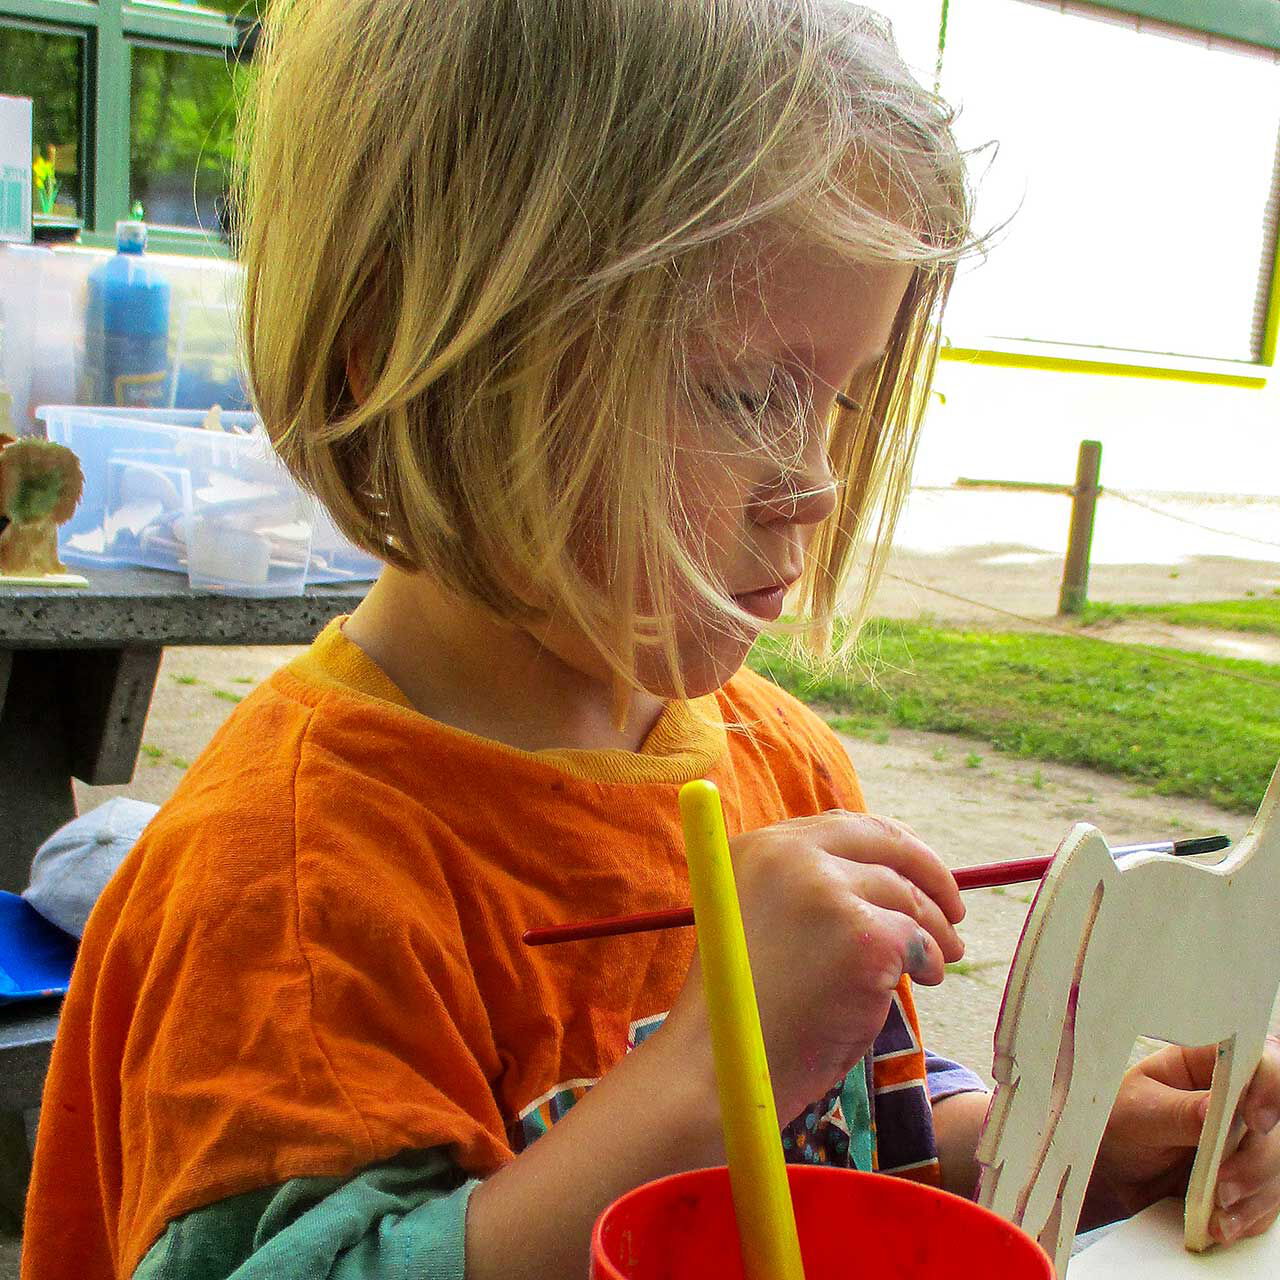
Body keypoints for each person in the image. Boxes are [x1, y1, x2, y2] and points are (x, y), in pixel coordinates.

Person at [22, 2, 1280, 1277]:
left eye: (841, 396)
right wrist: (700, 1069)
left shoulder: (781, 768)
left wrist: (1068, 1135)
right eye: (745, 390)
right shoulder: (292, 876)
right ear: (411, 346)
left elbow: (846, 1148)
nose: (817, 485)